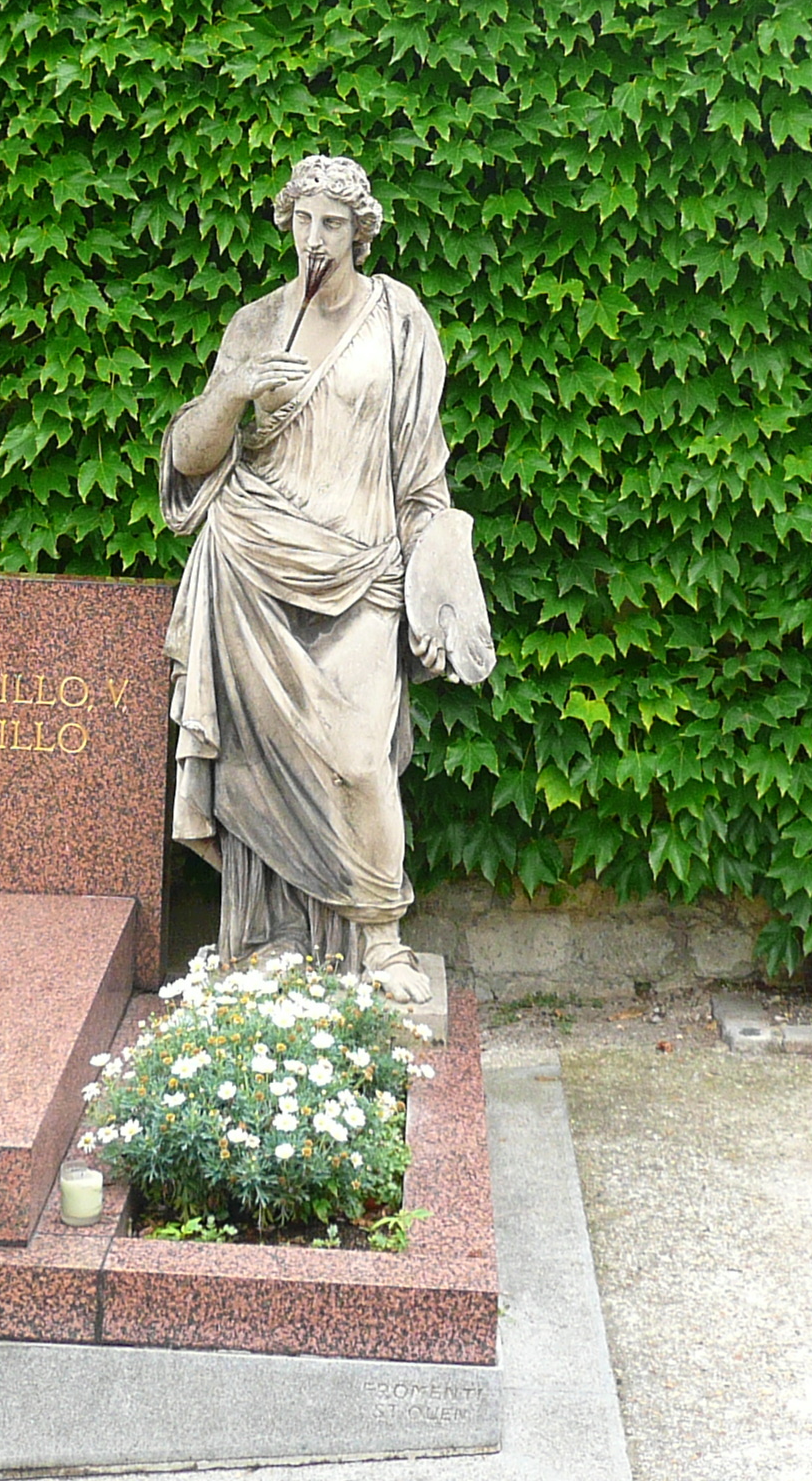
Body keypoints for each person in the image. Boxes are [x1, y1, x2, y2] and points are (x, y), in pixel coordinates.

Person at [160, 154, 486, 1004]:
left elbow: (421, 471)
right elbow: (190, 460)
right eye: (303, 220)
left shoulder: (399, 320)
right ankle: (269, 943)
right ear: (287, 224)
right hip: (251, 568)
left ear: (360, 231)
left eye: (332, 224)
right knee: (257, 769)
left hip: (362, 568)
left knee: (360, 759)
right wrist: (233, 391)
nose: (315, 239)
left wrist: (439, 573)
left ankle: (381, 939)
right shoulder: (256, 323)